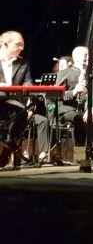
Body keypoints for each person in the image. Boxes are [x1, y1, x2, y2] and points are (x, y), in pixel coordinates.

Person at [0, 31, 50, 164]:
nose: (22, 48)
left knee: (22, 112)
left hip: (12, 101)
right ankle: (9, 147)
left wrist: (26, 88)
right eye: (18, 44)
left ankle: (9, 148)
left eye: (23, 45)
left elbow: (28, 81)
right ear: (5, 44)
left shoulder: (23, 63)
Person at [51, 46, 90, 152]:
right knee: (80, 118)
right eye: (85, 55)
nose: (87, 57)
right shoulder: (64, 73)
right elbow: (56, 95)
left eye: (88, 55)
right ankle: (80, 152)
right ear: (75, 57)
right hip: (67, 109)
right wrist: (74, 92)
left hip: (86, 108)